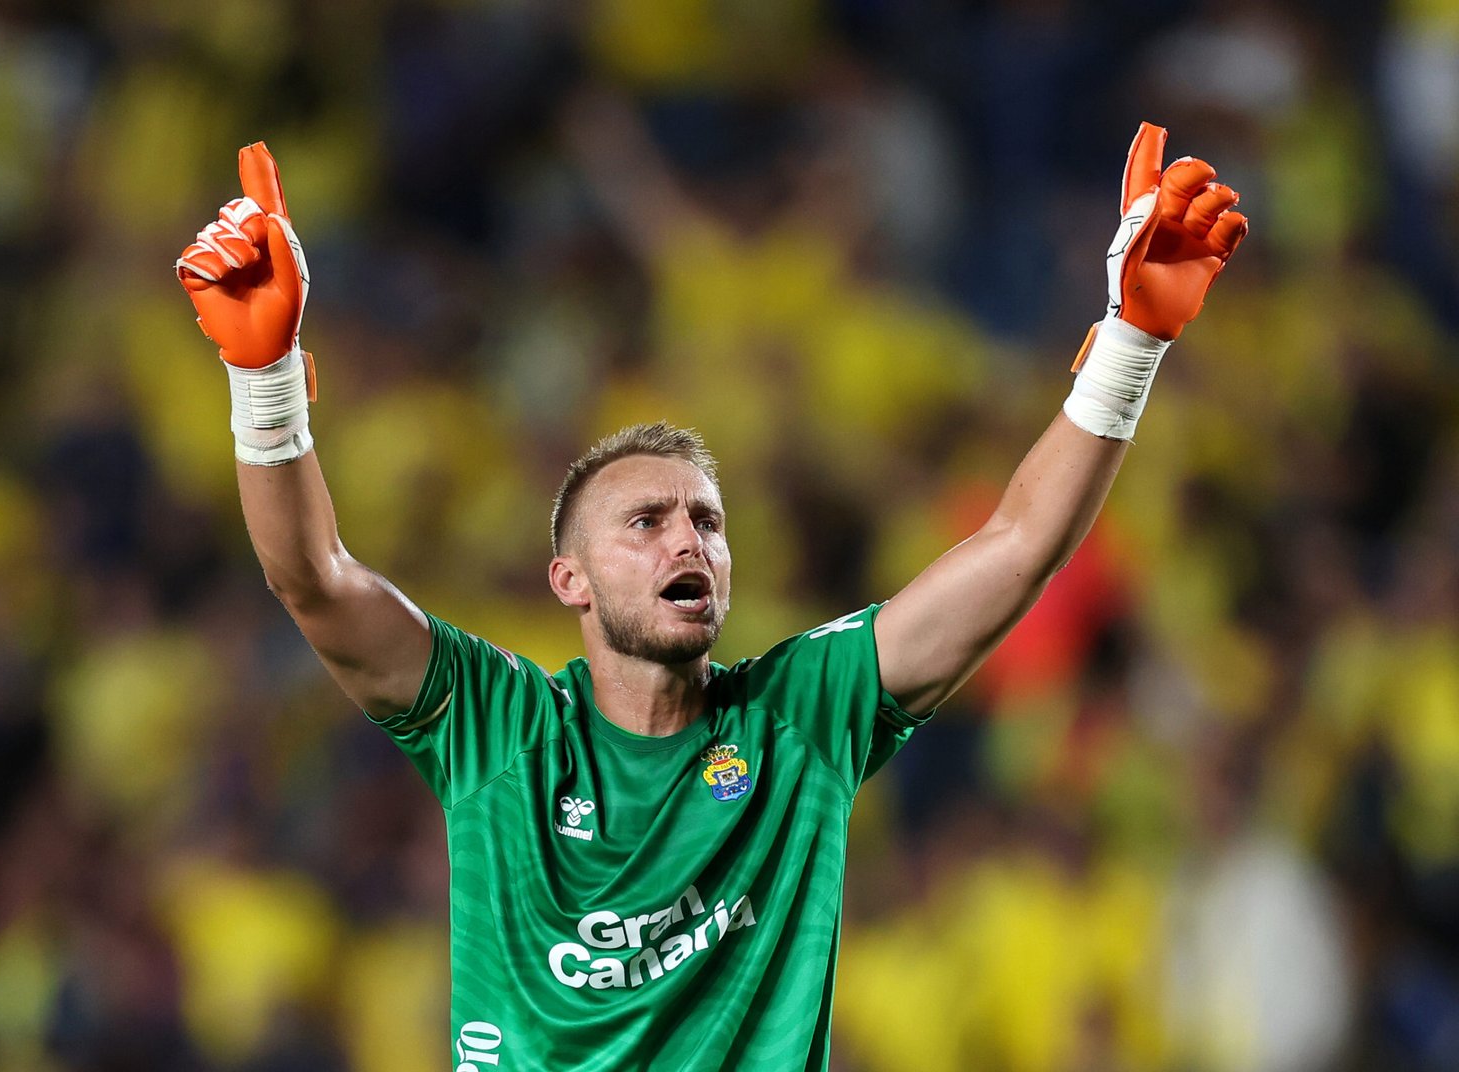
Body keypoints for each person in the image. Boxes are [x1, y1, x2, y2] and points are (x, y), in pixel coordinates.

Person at [174, 124, 1246, 1071]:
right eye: (645, 522)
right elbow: (313, 578)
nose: (688, 537)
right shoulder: (494, 729)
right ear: (570, 582)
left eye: (707, 522)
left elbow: (1016, 550)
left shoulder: (799, 716)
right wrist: (264, 378)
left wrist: (1131, 340)